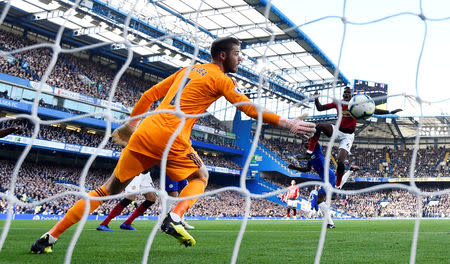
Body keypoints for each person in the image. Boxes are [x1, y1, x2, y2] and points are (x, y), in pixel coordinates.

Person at [30, 36, 316, 253]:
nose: (240, 59)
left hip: (146, 131)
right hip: (171, 136)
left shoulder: (188, 70)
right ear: (222, 55)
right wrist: (287, 123)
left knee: (108, 189)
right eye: (238, 54)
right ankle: (175, 217)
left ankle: (50, 236)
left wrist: (131, 125)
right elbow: (249, 109)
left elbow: (149, 94)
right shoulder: (221, 79)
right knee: (201, 177)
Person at [297, 87, 401, 187]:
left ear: (352, 95)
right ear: (343, 95)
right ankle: (309, 153)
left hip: (348, 136)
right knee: (319, 126)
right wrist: (316, 99)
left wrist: (389, 112)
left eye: (348, 93)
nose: (346, 94)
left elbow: (373, 110)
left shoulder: (356, 104)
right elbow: (320, 108)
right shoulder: (338, 103)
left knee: (340, 161)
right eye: (345, 93)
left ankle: (337, 185)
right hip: (337, 130)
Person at [97, 172, 194, 231]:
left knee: (151, 198)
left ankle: (127, 223)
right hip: (136, 170)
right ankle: (104, 223)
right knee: (130, 197)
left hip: (145, 173)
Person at [289, 143, 354, 228]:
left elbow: (315, 140)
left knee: (320, 200)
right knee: (321, 199)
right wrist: (295, 168)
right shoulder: (309, 158)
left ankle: (330, 222)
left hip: (328, 176)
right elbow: (307, 169)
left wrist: (307, 135)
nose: (306, 144)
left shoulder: (317, 149)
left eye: (308, 143)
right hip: (325, 177)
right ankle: (330, 222)